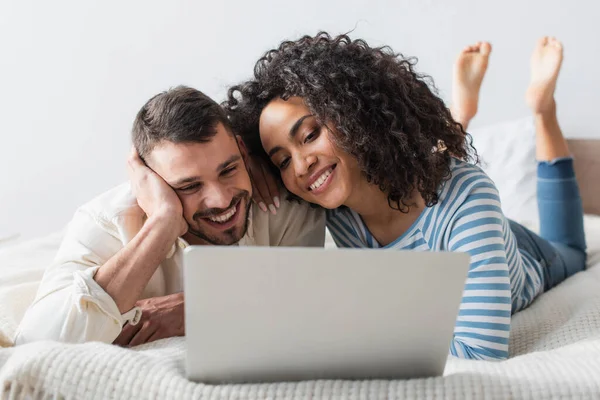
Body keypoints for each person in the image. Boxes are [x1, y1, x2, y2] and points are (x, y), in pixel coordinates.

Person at [225, 33, 587, 360]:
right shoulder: (331, 205)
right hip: (434, 208)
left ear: (353, 115)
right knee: (429, 161)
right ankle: (458, 118)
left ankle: (543, 110)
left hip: (531, 257)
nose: (301, 167)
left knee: (572, 250)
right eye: (283, 161)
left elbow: (480, 352)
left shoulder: (470, 201)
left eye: (309, 135)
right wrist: (251, 168)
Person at [15, 87, 324, 346]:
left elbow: (309, 301)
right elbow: (35, 342)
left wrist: (201, 307)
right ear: (151, 183)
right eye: (189, 186)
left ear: (243, 151)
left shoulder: (281, 204)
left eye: (228, 169)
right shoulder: (106, 220)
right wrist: (162, 222)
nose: (221, 199)